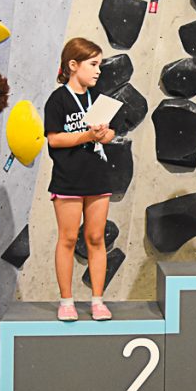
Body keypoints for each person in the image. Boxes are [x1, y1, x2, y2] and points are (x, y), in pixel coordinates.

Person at [45, 37, 117, 321]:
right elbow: (54, 139)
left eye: (100, 64)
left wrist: (103, 134)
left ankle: (97, 301)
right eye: (93, 64)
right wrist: (87, 135)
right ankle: (66, 301)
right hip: (68, 180)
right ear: (73, 65)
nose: (99, 70)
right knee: (68, 238)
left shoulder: (98, 97)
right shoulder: (58, 99)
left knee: (97, 237)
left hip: (98, 178)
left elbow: (111, 132)